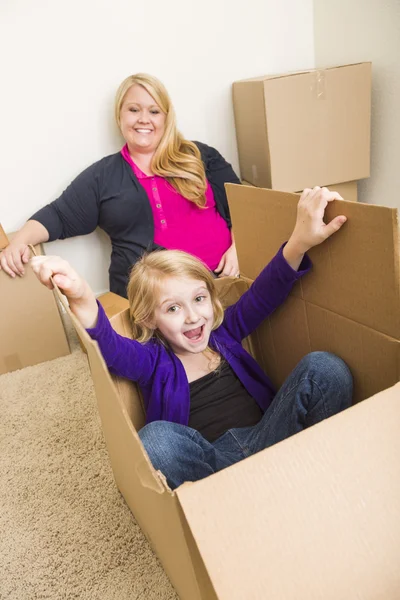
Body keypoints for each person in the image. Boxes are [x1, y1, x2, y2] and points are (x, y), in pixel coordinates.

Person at [31, 187, 353, 490]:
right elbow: (111, 349)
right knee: (154, 441)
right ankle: (237, 503)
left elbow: (263, 294)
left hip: (271, 439)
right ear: (148, 319)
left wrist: (299, 241)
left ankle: (310, 468)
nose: (193, 316)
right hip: (214, 468)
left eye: (199, 299)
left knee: (324, 367)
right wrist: (83, 296)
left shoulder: (223, 334)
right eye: (173, 308)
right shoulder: (152, 361)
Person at [0, 73, 241, 297]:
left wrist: (240, 248)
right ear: (120, 116)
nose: (143, 119)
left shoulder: (200, 155)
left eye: (154, 111)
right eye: (134, 110)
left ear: (166, 117)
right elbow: (58, 215)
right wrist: (20, 240)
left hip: (220, 282)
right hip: (150, 300)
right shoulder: (103, 176)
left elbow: (245, 208)